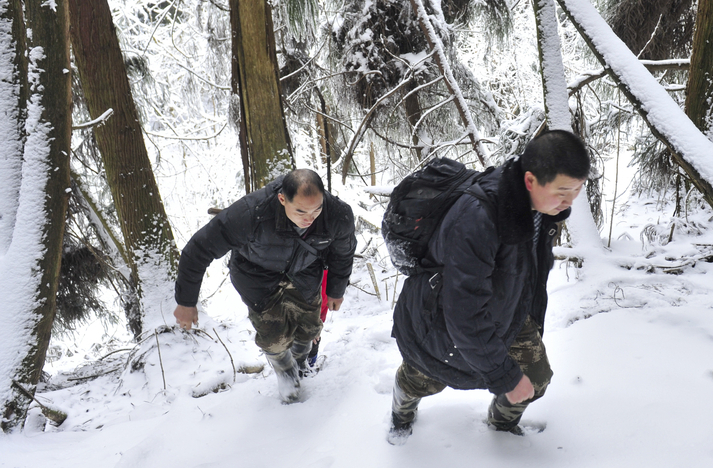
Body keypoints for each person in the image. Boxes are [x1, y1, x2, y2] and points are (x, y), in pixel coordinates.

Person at [388, 129, 590, 442]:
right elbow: (463, 310)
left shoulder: (542, 207)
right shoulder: (479, 218)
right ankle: (401, 413)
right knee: (424, 377)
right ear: (530, 180)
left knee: (534, 378)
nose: (569, 201)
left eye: (577, 190)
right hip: (440, 320)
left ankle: (501, 431)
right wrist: (504, 375)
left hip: (505, 309)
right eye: (563, 191)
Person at [173, 169, 357, 403]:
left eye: (316, 210)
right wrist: (186, 301)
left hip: (305, 273)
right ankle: (286, 371)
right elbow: (198, 250)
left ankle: (299, 362)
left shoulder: (337, 214)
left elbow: (343, 254)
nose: (309, 218)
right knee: (274, 339)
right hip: (257, 277)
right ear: (282, 199)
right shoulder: (251, 213)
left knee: (310, 331)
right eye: (301, 211)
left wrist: (336, 290)